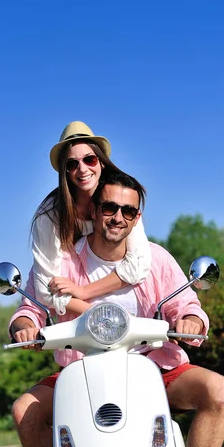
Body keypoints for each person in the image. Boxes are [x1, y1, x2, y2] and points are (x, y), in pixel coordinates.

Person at [10, 170, 224, 447]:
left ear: (137, 217)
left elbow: (188, 304)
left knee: (218, 390)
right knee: (24, 410)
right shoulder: (62, 261)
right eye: (110, 207)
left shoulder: (155, 258)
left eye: (129, 211)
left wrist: (191, 320)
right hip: (82, 371)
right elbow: (30, 306)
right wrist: (25, 326)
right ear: (94, 210)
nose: (118, 217)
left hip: (154, 365)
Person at [31, 120, 152, 316]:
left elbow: (139, 266)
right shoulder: (49, 216)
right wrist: (101, 315)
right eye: (72, 164)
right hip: (79, 319)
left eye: (89, 160)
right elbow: (45, 288)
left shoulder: (121, 197)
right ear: (65, 172)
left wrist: (84, 291)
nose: (82, 169)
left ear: (102, 161)